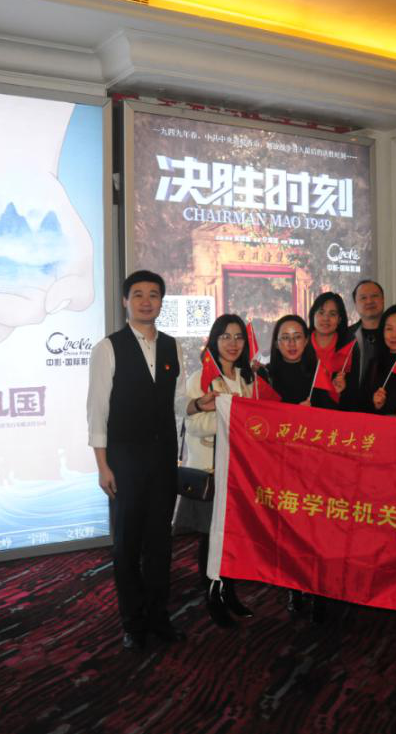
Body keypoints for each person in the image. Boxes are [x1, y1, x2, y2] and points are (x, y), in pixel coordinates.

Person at [87, 270, 185, 652]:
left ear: (162, 302)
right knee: (127, 545)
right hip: (124, 459)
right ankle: (133, 622)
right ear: (125, 301)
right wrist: (103, 466)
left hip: (163, 459)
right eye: (139, 294)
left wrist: (200, 404)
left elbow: (177, 403)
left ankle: (159, 618)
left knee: (160, 543)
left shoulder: (173, 346)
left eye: (154, 295)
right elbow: (97, 411)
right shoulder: (108, 348)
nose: (147, 301)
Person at [258, 314, 340, 621]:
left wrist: (316, 410)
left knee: (317, 530)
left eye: (297, 337)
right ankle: (293, 587)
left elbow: (336, 420)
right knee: (289, 531)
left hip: (317, 465)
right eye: (285, 338)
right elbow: (261, 421)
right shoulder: (266, 376)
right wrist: (292, 414)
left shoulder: (319, 373)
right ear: (277, 343)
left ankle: (318, 589)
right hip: (282, 465)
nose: (292, 343)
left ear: (307, 341)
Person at [175, 314, 255, 629]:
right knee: (211, 539)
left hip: (239, 471)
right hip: (211, 470)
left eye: (238, 337)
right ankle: (212, 597)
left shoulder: (248, 380)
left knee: (232, 538)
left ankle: (229, 592)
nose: (233, 343)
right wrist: (230, 419)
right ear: (213, 341)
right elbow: (193, 424)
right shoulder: (202, 378)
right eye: (225, 337)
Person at [348, 280, 385, 388]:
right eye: (363, 298)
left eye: (374, 296)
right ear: (355, 304)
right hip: (353, 398)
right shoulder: (346, 336)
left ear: (383, 300)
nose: (369, 301)